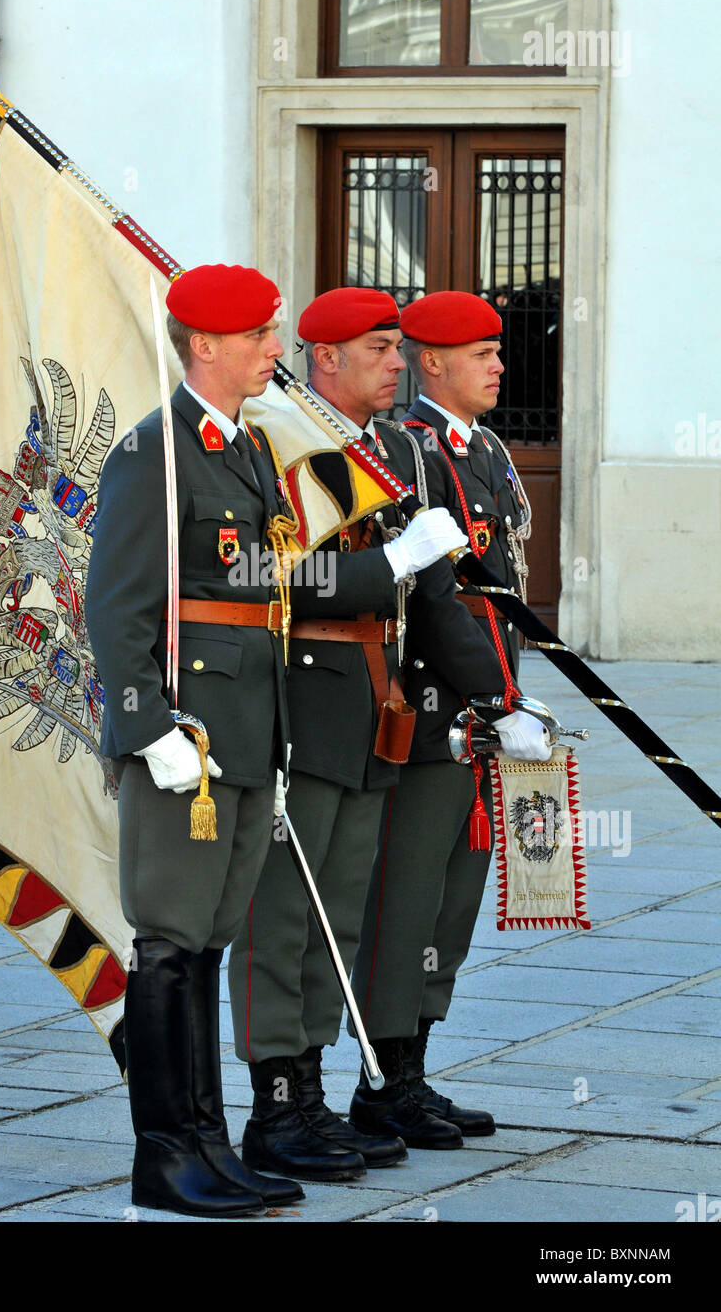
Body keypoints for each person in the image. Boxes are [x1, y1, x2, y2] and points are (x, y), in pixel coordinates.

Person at [228, 287, 469, 1180]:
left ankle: (318, 1088)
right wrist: (382, 569)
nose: (398, 363)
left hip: (375, 698)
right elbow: (258, 570)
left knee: (343, 916)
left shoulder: (387, 447)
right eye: (379, 347)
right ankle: (275, 1105)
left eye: (400, 347)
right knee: (284, 915)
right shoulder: (274, 436)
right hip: (304, 700)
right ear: (323, 357)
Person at [86, 263, 303, 1217]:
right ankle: (163, 1155)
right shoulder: (152, 452)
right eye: (259, 335)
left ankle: (208, 1144)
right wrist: (143, 727)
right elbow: (116, 605)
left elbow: (259, 596)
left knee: (209, 939)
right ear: (204, 345)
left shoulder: (247, 449)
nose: (274, 349)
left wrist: (273, 745)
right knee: (168, 940)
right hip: (187, 739)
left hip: (246, 739)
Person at [348, 289, 551, 1148]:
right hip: (432, 712)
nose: (501, 366)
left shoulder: (488, 450)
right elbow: (434, 603)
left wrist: (514, 693)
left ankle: (416, 1071)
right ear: (431, 361)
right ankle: (380, 1084)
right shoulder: (408, 450)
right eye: (482, 354)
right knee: (406, 903)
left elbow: (499, 594)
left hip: (479, 711)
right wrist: (490, 697)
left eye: (499, 353)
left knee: (452, 906)